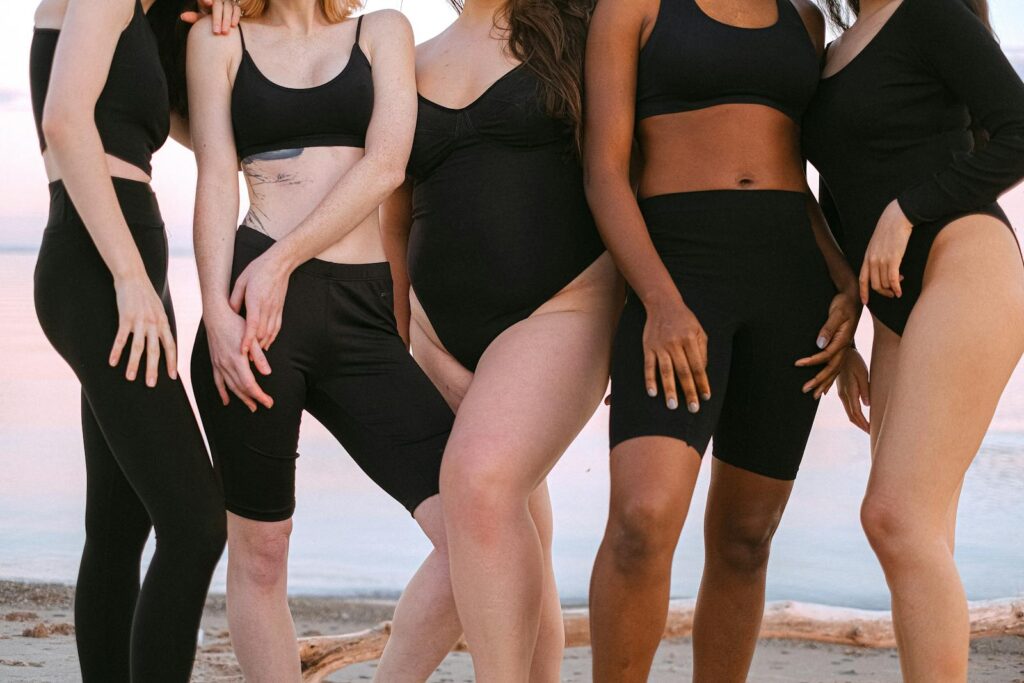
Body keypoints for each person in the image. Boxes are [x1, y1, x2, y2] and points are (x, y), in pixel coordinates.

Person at [185, 2, 463, 680]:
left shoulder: (383, 30)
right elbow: (217, 177)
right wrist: (215, 313)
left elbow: (387, 163)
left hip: (353, 307)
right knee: (260, 551)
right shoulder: (218, 39)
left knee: (474, 531)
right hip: (249, 312)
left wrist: (282, 260)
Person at [583, 0, 860, 679]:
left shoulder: (803, 18)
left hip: (792, 287)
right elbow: (604, 173)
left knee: (745, 540)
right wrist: (659, 300)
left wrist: (846, 283)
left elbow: (796, 180)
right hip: (677, 274)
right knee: (641, 523)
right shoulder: (632, 8)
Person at [380, 0, 622, 678]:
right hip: (436, 335)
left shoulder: (577, 27)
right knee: (516, 527)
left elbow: (628, 166)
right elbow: (391, 216)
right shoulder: (405, 54)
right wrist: (404, 338)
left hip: (566, 303)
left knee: (479, 484)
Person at [804, 0, 1024, 679]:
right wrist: (849, 322)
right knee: (920, 534)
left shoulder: (931, 14)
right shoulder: (833, 50)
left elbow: (1019, 130)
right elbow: (838, 190)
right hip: (893, 305)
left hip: (964, 259)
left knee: (894, 515)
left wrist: (910, 208)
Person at [29, 0, 227, 680]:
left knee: (119, 528)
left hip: (123, 263)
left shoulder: (144, 15)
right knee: (196, 523)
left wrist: (212, 28)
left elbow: (209, 136)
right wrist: (128, 276)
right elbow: (63, 120)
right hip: (100, 265)